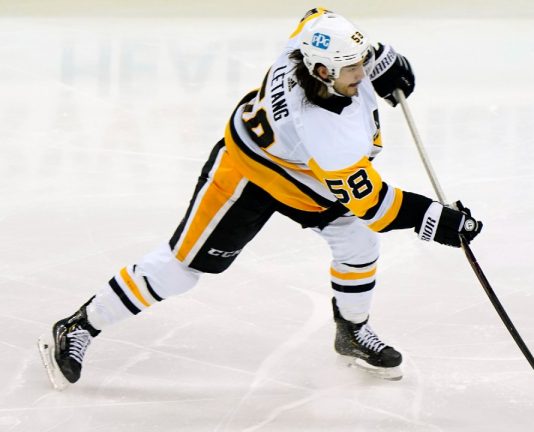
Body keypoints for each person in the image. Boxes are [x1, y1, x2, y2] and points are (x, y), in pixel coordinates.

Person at [38, 7, 482, 387]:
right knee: (180, 271)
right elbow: (377, 208)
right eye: (352, 68)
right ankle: (80, 325)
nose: (361, 74)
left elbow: (317, 15)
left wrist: (382, 56)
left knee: (358, 243)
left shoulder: (304, 47)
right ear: (322, 72)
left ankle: (351, 330)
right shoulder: (327, 134)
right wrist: (438, 221)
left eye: (361, 61)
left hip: (303, 175)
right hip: (246, 175)